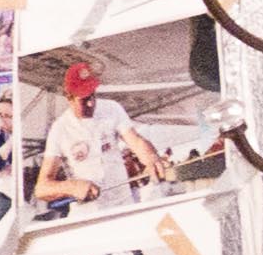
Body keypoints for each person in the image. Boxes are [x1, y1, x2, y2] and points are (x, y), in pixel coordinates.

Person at [31, 60, 170, 216]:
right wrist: (71, 187)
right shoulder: (59, 129)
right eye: (84, 99)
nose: (91, 104)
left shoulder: (112, 108)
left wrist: (151, 157)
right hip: (89, 212)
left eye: (93, 96)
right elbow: (41, 188)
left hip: (124, 203)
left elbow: (135, 141)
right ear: (69, 97)